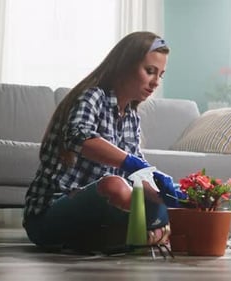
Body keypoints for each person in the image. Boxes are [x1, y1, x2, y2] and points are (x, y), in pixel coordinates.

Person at [23, 31, 179, 252]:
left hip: (92, 215)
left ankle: (115, 237)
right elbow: (79, 136)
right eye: (150, 71)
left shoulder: (132, 117)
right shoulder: (92, 96)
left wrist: (167, 195)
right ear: (125, 65)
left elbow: (137, 177)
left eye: (160, 75)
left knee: (161, 200)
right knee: (114, 185)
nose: (155, 83)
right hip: (49, 215)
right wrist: (130, 162)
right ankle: (148, 233)